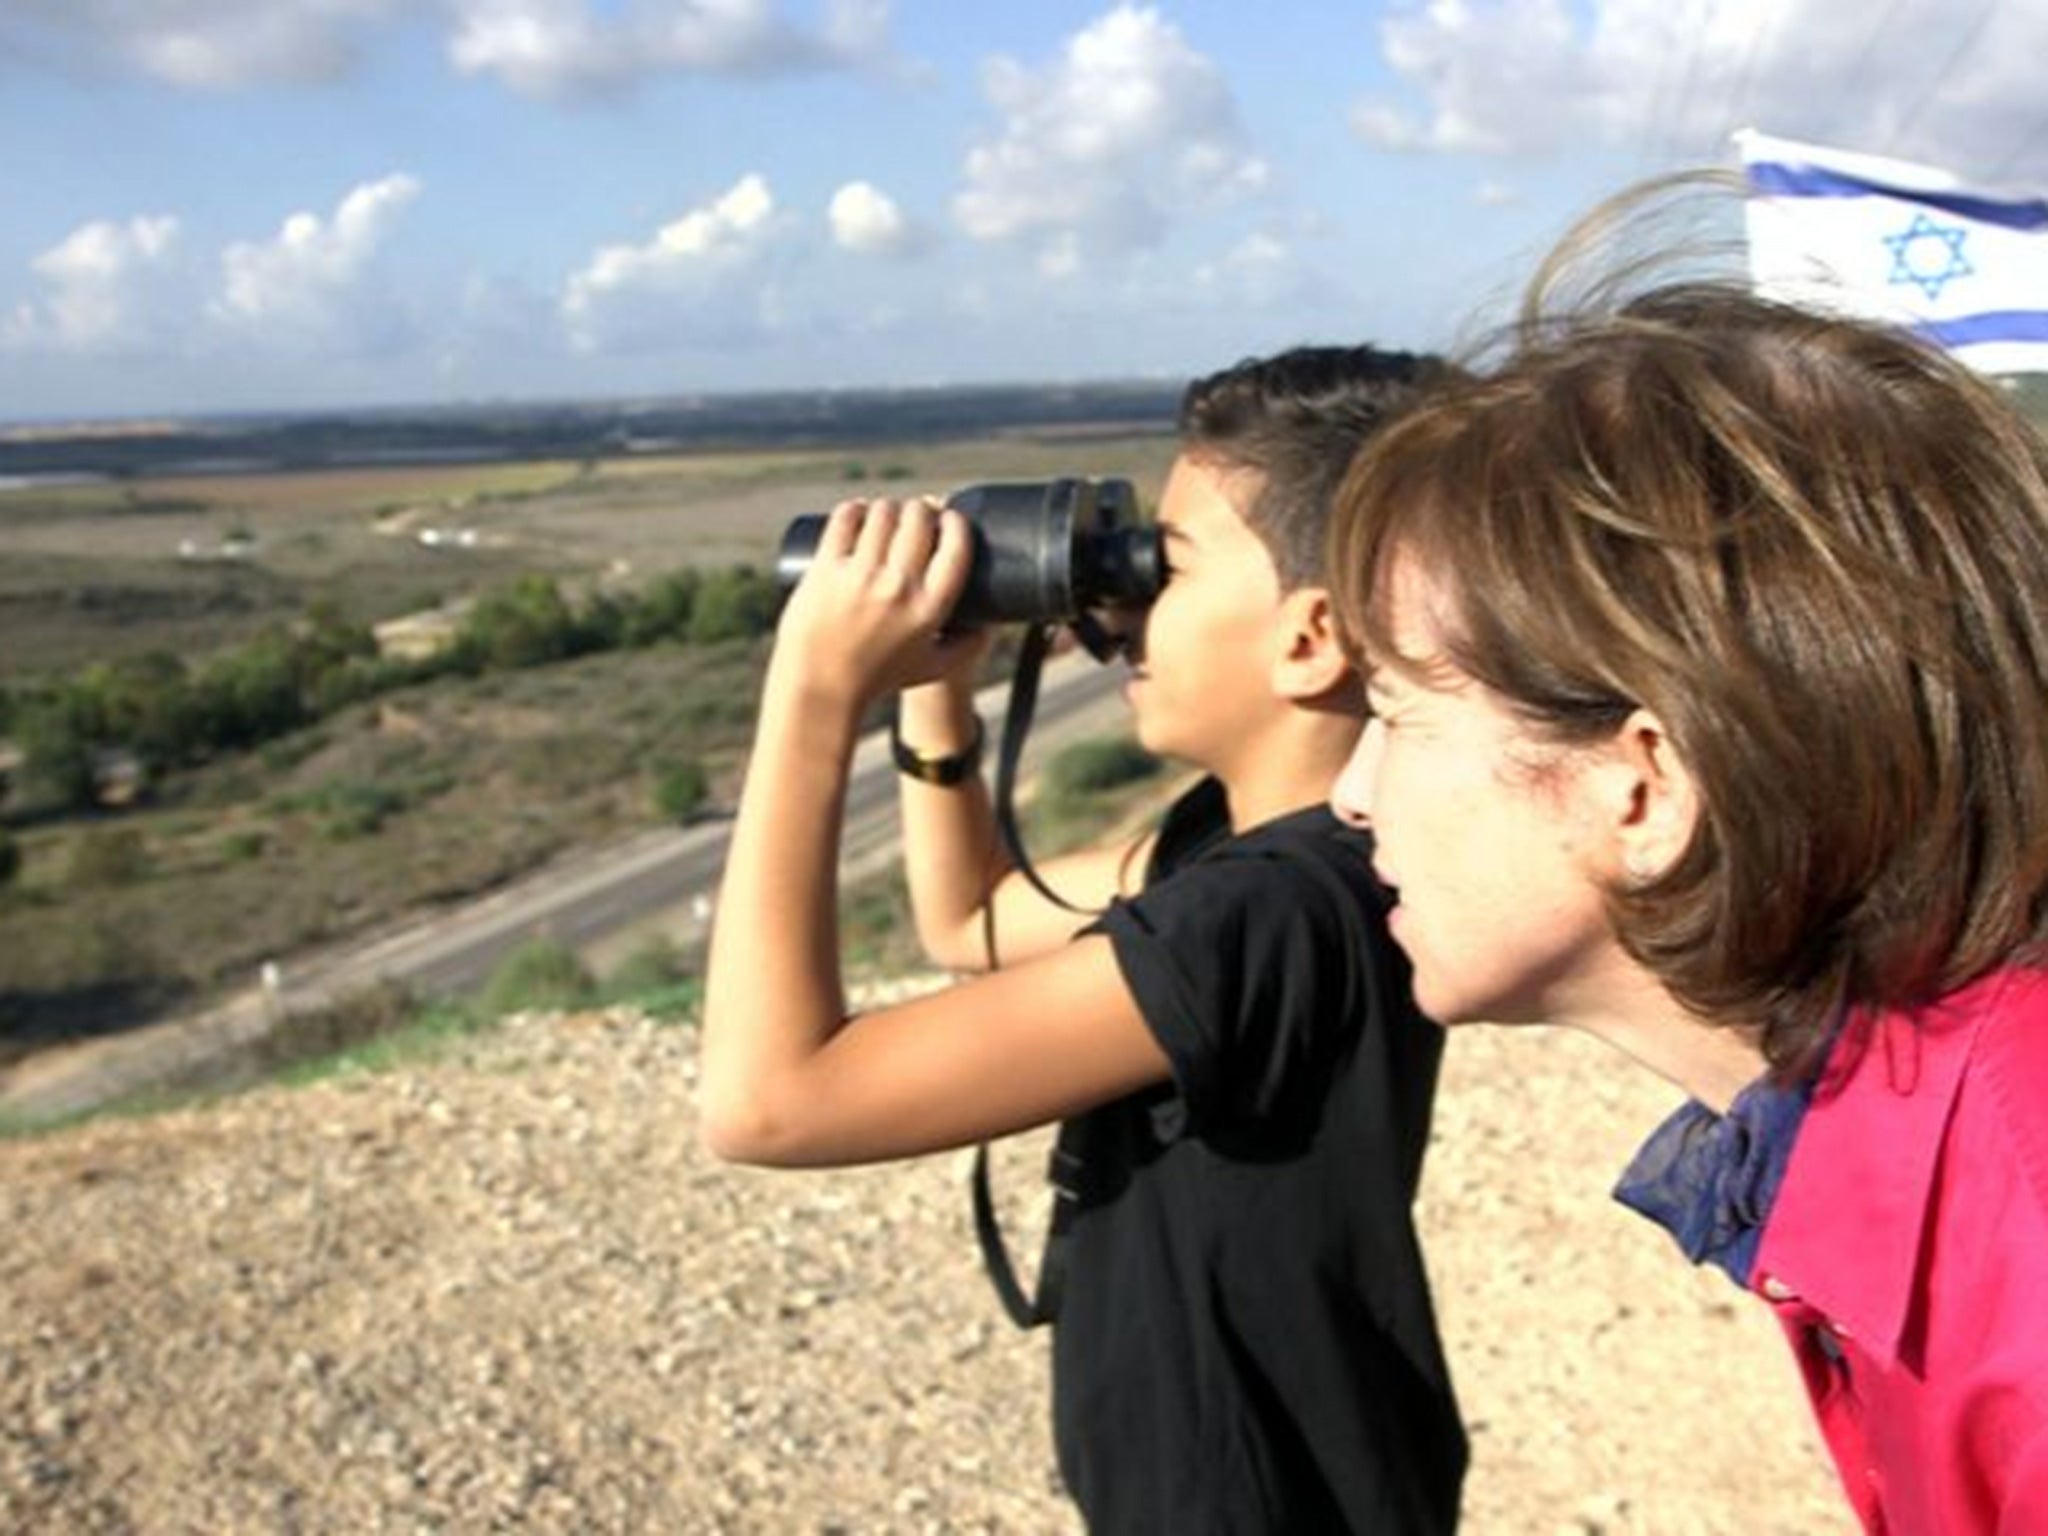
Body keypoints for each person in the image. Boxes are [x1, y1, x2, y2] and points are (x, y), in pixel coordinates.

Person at [1324, 260, 2048, 1533]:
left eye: (1393, 712)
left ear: (1644, 787)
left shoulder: (2021, 1250)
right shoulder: (1903, 1146)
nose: (1350, 793)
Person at [699, 346, 1467, 1533]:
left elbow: (768, 1103)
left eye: (1162, 569)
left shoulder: (1271, 914)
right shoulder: (1264, 852)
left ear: (1308, 638)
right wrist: (936, 680)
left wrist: (809, 695)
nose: (1121, 602)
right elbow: (971, 921)